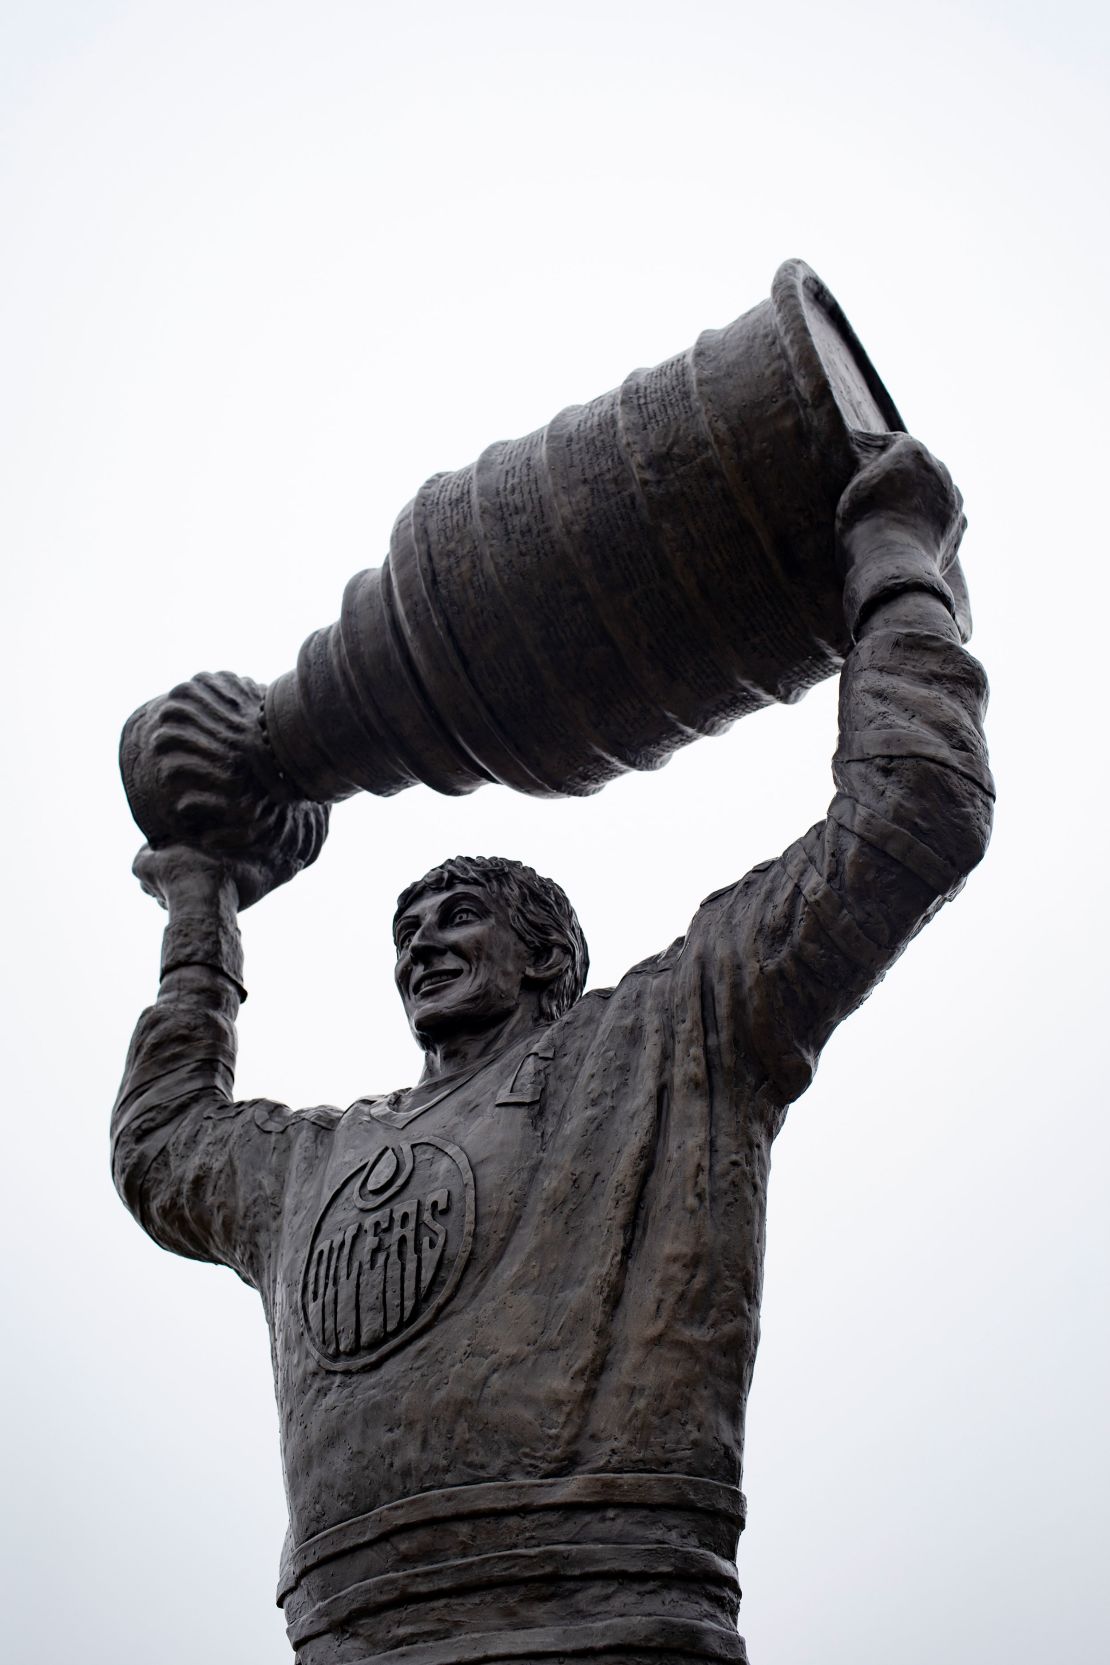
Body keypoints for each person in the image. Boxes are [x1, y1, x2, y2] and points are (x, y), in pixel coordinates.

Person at [113, 436, 994, 1664]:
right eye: (406, 930)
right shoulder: (312, 1164)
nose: (422, 944)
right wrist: (203, 900)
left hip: (616, 1616)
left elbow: (912, 814)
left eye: (458, 918)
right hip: (350, 1641)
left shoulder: (662, 1046)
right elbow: (162, 1148)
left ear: (547, 957)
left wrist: (898, 568)